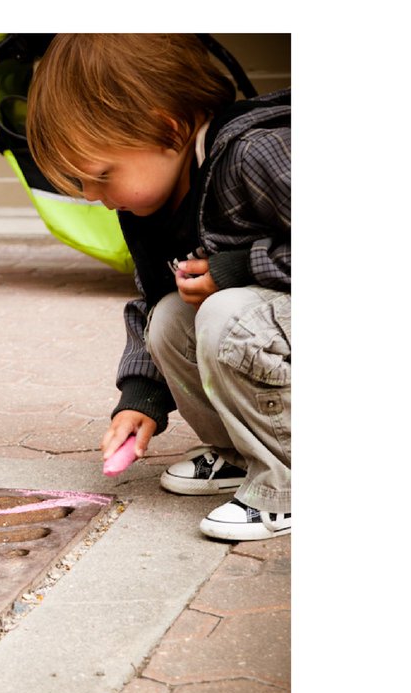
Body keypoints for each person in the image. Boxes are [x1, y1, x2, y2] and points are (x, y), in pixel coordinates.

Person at [26, 34, 290, 541]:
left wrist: (238, 269)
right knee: (168, 315)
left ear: (166, 129)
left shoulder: (255, 154)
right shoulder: (148, 205)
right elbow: (151, 302)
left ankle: (289, 477)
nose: (93, 197)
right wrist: (140, 398)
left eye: (102, 175)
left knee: (226, 315)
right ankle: (242, 451)